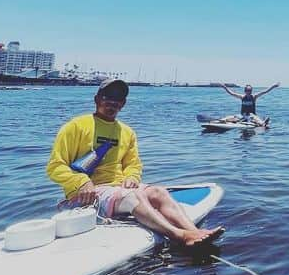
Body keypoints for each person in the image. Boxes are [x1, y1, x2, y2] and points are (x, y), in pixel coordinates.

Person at [47, 78, 222, 247]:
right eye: (107, 97)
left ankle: (195, 232)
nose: (112, 103)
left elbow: (133, 164)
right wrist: (81, 181)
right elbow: (55, 167)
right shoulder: (75, 126)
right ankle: (180, 236)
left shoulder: (127, 132)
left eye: (118, 99)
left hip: (118, 190)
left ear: (123, 104)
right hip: (87, 196)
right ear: (97, 99)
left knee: (159, 192)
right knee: (134, 196)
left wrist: (131, 176)